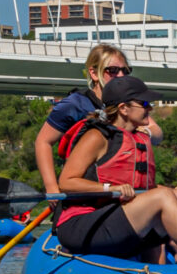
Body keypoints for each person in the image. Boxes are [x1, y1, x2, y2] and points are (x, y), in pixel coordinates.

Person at [54, 76, 177, 262]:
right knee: (163, 196)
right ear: (124, 108)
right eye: (145, 103)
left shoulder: (137, 137)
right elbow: (66, 182)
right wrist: (110, 188)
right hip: (83, 225)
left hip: (118, 217)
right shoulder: (97, 137)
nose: (150, 108)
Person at [35, 44, 161, 197]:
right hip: (86, 188)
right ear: (94, 73)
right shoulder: (75, 104)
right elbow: (43, 142)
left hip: (122, 189)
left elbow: (156, 132)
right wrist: (51, 187)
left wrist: (141, 133)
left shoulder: (128, 103)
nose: (121, 75)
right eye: (113, 70)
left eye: (125, 71)